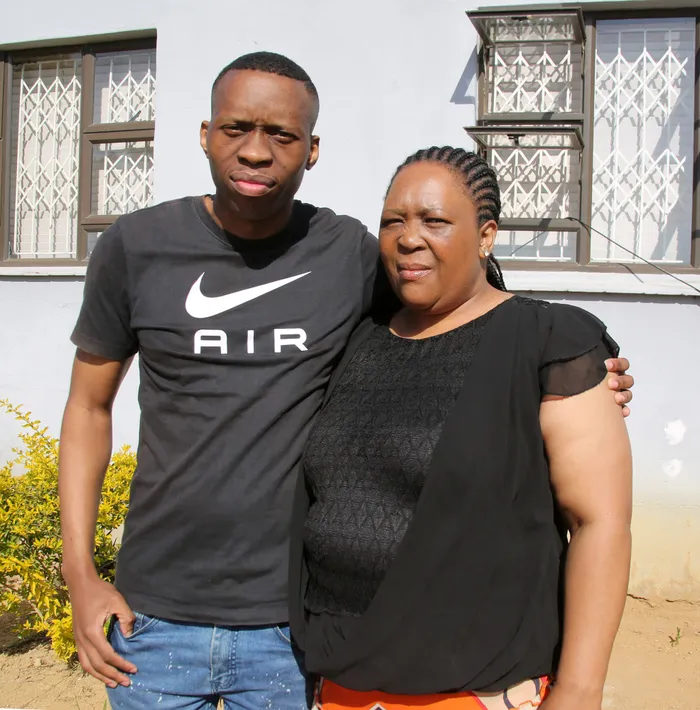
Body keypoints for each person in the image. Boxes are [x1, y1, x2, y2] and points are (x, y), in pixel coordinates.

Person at [58, 52, 634, 710]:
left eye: (281, 134)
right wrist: (80, 574)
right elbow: (88, 409)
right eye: (236, 127)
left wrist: (573, 370)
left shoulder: (349, 254)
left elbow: (458, 313)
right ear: (205, 133)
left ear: (312, 150)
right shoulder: (134, 248)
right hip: (155, 616)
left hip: (291, 629)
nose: (255, 151)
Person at [289, 147, 633, 710]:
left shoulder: (548, 342)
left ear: (486, 236)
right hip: (337, 681)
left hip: (477, 688)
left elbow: (599, 522)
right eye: (393, 221)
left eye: (435, 221)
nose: (409, 238)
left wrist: (579, 690)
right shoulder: (359, 340)